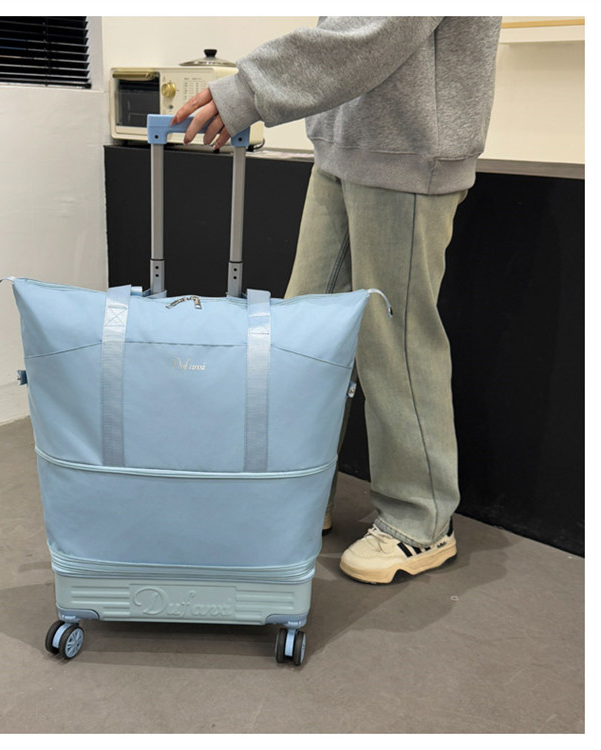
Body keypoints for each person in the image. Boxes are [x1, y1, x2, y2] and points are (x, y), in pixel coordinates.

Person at [172, 16, 502, 585]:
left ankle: (421, 519)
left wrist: (249, 90)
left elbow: (375, 29)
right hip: (343, 149)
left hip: (407, 154)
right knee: (303, 336)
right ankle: (299, 491)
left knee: (394, 341)